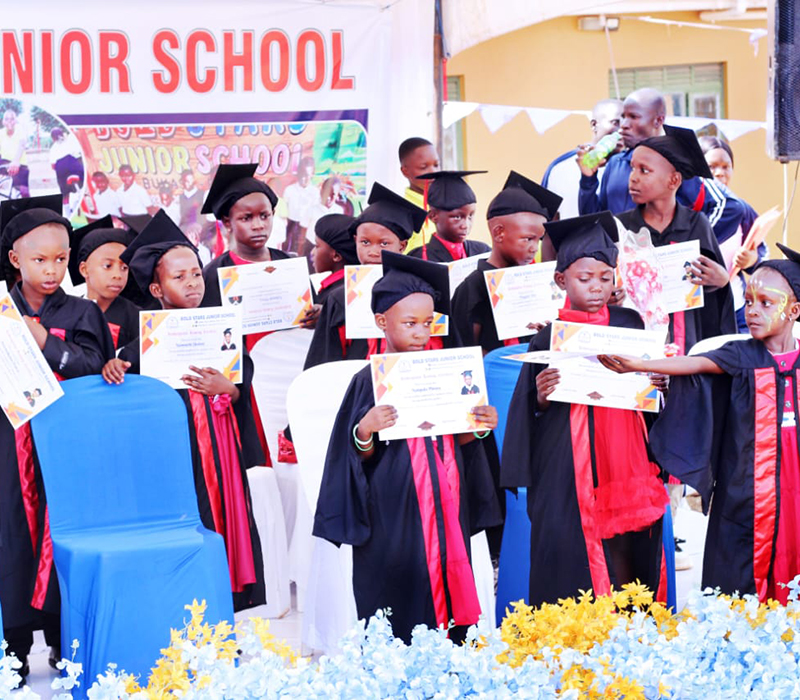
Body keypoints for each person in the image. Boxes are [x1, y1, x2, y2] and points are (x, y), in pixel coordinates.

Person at [313, 250, 501, 643]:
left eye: (428, 323)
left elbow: (459, 438)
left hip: (448, 498)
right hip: (393, 506)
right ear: (382, 322)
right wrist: (365, 428)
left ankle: (451, 656)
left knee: (450, 576)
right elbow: (355, 454)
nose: (421, 332)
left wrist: (480, 426)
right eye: (410, 323)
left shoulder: (448, 369)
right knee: (398, 586)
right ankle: (394, 662)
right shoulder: (369, 379)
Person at [598, 242, 800, 604]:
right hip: (746, 483)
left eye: (765, 303)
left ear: (794, 311)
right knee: (742, 553)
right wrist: (640, 365)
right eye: (749, 301)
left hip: (794, 478)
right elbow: (694, 365)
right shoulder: (741, 355)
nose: (752, 311)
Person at [502, 211, 669, 606]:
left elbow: (649, 393)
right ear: (562, 280)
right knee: (571, 544)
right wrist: (541, 396)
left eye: (605, 277)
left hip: (627, 453)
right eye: (584, 278)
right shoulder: (548, 336)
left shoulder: (630, 323)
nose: (597, 287)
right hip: (568, 462)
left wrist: (659, 384)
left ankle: (635, 626)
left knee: (630, 544)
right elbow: (530, 413)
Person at [103, 210, 266, 611]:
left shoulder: (222, 328)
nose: (193, 283)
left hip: (220, 444)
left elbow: (243, 382)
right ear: (157, 290)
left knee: (224, 519)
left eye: (195, 273)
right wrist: (117, 366)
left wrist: (228, 387)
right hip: (177, 451)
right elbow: (129, 392)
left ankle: (225, 605)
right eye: (179, 277)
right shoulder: (144, 344)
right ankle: (184, 606)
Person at [0, 195, 114, 685]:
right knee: (12, 543)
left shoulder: (82, 311)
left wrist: (46, 342)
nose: (51, 270)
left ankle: (66, 642)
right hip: (10, 447)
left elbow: (94, 366)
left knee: (62, 537)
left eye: (61, 259)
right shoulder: (1, 310)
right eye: (39, 260)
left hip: (67, 448)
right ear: (14, 260)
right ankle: (15, 649)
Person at [616, 124, 737, 354]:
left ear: (673, 181)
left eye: (644, 170)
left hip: (687, 343)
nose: (633, 178)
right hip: (635, 345)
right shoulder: (622, 227)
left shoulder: (695, 225)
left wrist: (721, 281)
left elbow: (714, 299)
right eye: (632, 168)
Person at [577, 89, 737, 244]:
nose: (624, 125)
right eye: (623, 117)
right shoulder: (615, 163)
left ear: (658, 120)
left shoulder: (676, 163)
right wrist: (588, 180)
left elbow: (731, 207)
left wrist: (692, 247)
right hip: (621, 267)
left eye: (633, 117)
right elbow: (594, 222)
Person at [302, 182, 428, 370]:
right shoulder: (340, 297)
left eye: (384, 244)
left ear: (402, 246)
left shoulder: (422, 292)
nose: (373, 252)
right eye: (365, 242)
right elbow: (325, 363)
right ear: (355, 241)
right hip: (356, 386)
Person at [451, 171, 562, 355]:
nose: (534, 248)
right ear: (499, 233)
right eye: (528, 239)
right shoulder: (473, 288)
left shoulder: (537, 284)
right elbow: (465, 351)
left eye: (538, 240)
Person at [700, 135, 766, 333]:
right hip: (696, 308)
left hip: (736, 305)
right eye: (712, 166)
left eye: (726, 166)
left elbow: (762, 254)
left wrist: (752, 260)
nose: (720, 173)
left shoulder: (740, 209)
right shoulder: (688, 210)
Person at [542, 98, 623, 219]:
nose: (622, 130)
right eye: (615, 122)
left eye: (627, 123)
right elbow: (546, 216)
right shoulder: (560, 167)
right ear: (594, 125)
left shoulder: (634, 168)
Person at [68, 215, 139, 350]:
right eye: (107, 266)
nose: (117, 275)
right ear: (84, 269)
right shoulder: (68, 312)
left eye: (124, 268)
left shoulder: (137, 318)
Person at [408, 170, 491, 262]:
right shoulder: (419, 258)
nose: (466, 225)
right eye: (457, 217)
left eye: (470, 216)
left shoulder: (483, 252)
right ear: (433, 216)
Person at [398, 137, 439, 253]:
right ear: (405, 171)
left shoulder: (443, 206)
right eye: (423, 167)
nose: (433, 172)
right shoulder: (402, 211)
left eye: (436, 165)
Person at [281, 156, 318, 255]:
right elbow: (284, 213)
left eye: (307, 175)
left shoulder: (315, 193)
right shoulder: (290, 190)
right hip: (291, 229)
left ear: (312, 175)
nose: (303, 178)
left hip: (307, 231)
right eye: (302, 174)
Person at [49, 127, 84, 206]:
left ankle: (67, 212)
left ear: (53, 138)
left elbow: (53, 166)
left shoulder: (53, 149)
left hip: (62, 171)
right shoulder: (69, 142)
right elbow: (77, 154)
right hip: (75, 167)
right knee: (83, 184)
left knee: (65, 194)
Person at [0, 109, 29, 197]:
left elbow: (22, 144)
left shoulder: (20, 130)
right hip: (4, 164)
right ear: (3, 122)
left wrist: (16, 161)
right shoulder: (1, 133)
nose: (9, 121)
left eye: (12, 119)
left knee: (25, 193)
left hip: (20, 164)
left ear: (15, 121)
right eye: (6, 119)